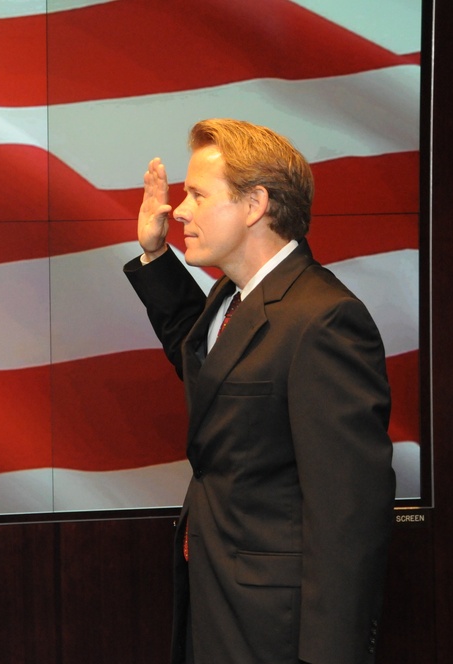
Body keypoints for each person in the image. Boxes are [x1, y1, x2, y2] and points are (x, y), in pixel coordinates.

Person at [123, 118, 395, 664]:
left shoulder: (324, 319)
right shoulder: (234, 294)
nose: (179, 211)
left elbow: (348, 515)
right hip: (216, 596)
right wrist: (155, 258)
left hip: (276, 628)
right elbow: (209, 369)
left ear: (254, 205)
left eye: (198, 194)